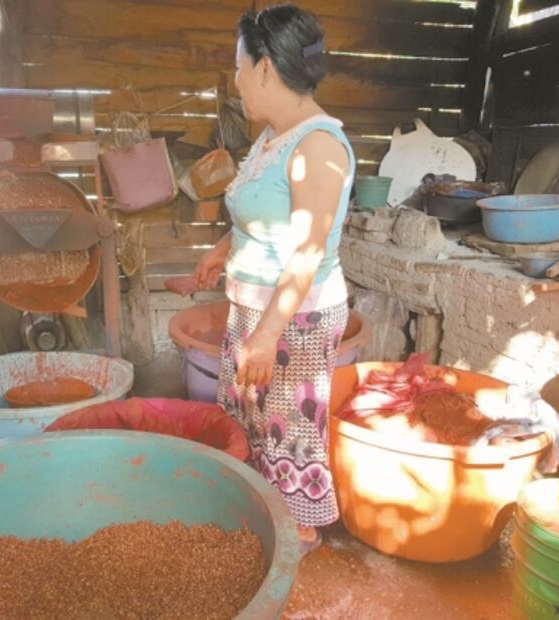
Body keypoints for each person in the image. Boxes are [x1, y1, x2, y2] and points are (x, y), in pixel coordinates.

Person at [193, 4, 355, 554]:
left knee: (289, 429)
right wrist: (222, 250)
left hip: (296, 320)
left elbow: (309, 249)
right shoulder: (271, 138)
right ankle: (259, 511)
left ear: (265, 68)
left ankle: (297, 538)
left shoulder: (320, 147)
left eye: (239, 67)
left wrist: (266, 333)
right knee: (250, 415)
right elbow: (260, 217)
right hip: (256, 309)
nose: (235, 80)